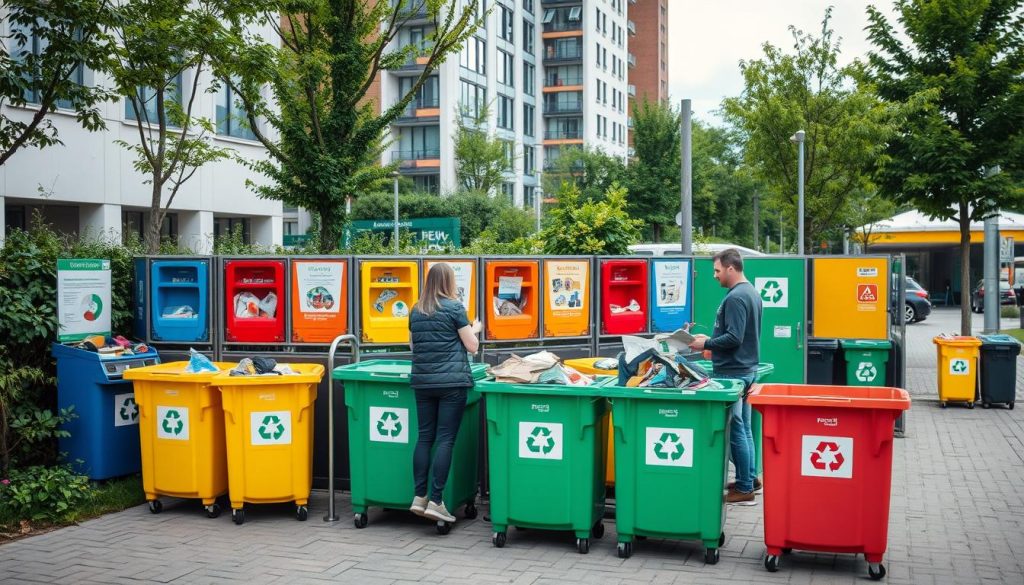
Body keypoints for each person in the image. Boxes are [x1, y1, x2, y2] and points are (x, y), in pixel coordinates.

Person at [407, 263, 482, 524]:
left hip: (423, 382)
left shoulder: (416, 309)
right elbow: (472, 346)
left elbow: (413, 345)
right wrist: (476, 328)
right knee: (446, 439)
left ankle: (419, 497)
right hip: (451, 384)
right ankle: (436, 501)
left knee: (425, 437)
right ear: (449, 282)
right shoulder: (454, 308)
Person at [688, 248, 762, 505]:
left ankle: (744, 487)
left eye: (717, 271)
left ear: (731, 268)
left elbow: (734, 337)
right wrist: (711, 347)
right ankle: (749, 478)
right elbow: (737, 337)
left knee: (737, 430)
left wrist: (704, 343)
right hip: (746, 369)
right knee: (745, 429)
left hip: (735, 373)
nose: (715, 276)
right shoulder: (750, 292)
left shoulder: (736, 297)